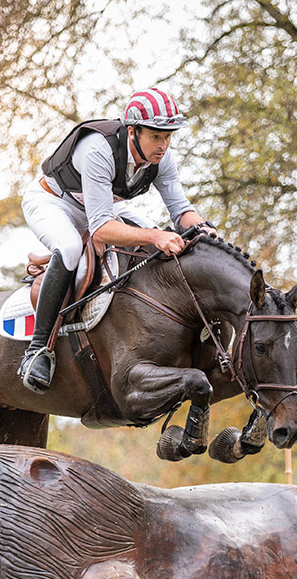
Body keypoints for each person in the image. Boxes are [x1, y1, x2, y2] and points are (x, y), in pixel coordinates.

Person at [18, 87, 216, 393]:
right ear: (133, 131)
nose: (163, 146)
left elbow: (181, 210)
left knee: (158, 237)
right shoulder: (99, 149)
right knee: (71, 247)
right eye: (156, 136)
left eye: (168, 137)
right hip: (53, 201)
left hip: (101, 204)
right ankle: (37, 350)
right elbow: (100, 229)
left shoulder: (162, 159)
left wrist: (206, 230)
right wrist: (156, 235)